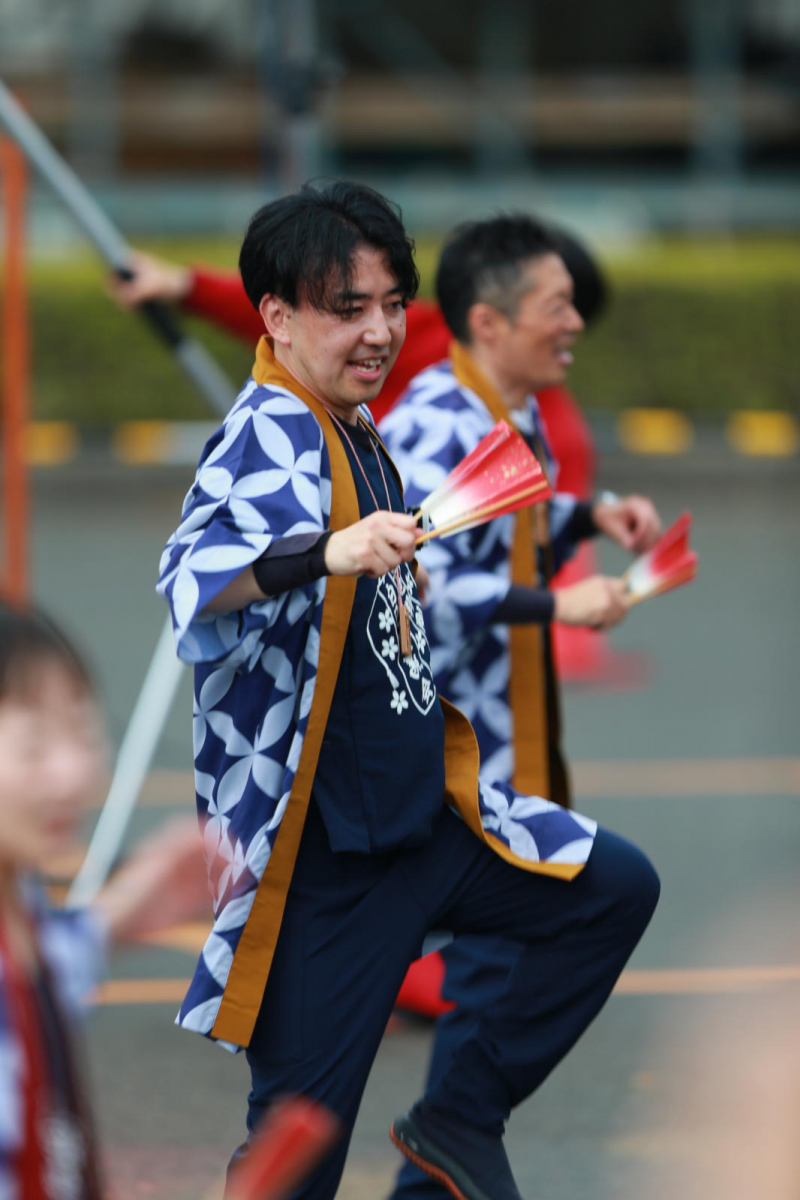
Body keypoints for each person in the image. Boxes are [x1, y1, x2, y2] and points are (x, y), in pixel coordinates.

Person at [156, 179, 660, 1200]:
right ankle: (447, 1139)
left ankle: (454, 1123)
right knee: (293, 1162)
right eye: (350, 309)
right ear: (278, 318)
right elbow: (189, 575)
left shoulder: (359, 426)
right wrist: (321, 551)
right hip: (323, 863)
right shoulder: (270, 430)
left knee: (609, 888)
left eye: (391, 304)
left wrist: (576, 520)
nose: (381, 330)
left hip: (423, 817)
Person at [378, 214, 661, 1200]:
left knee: (504, 962)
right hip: (447, 751)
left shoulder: (509, 408)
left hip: (509, 744)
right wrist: (556, 602)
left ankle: (444, 1156)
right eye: (556, 305)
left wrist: (591, 515)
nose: (573, 321)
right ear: (488, 322)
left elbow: (510, 532)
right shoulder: (430, 425)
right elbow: (411, 579)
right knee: (525, 942)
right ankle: (449, 1138)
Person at [0, 598, 210, 1200]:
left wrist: (117, 913)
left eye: (83, 732)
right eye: (33, 748)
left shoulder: (22, 902)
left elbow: (43, 975)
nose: (72, 773)